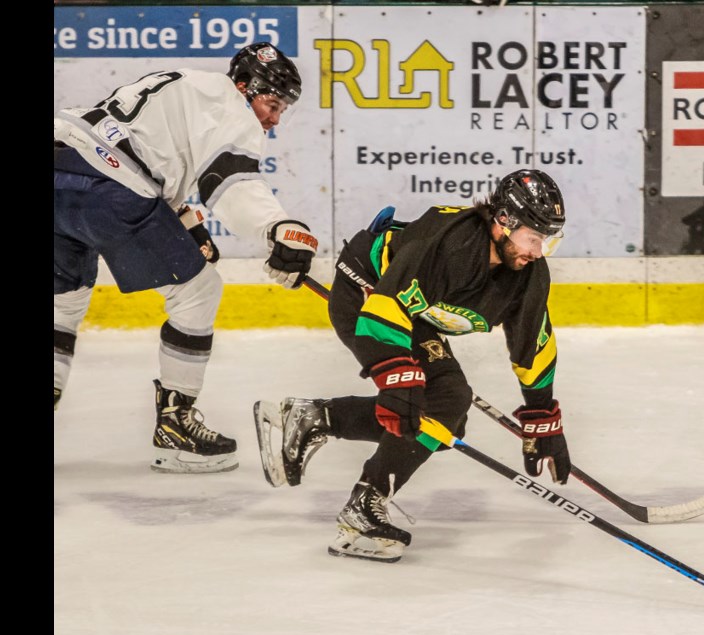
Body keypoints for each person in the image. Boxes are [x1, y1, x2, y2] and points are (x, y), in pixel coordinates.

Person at [254, 169, 571, 562]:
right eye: (534, 238)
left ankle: (314, 418)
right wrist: (396, 378)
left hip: (409, 310)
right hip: (368, 294)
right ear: (504, 221)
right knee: (442, 400)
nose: (539, 251)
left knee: (447, 418)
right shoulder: (451, 245)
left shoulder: (527, 274)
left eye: (548, 241)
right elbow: (384, 310)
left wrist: (541, 414)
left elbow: (533, 343)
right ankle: (364, 507)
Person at [54, 42, 318, 474]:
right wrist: (276, 229)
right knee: (199, 290)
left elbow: (143, 149)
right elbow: (228, 180)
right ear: (245, 87)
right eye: (272, 104)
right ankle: (176, 429)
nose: (273, 119)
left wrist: (183, 220)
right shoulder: (232, 105)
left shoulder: (184, 84)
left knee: (62, 304)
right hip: (107, 185)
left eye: (281, 111)